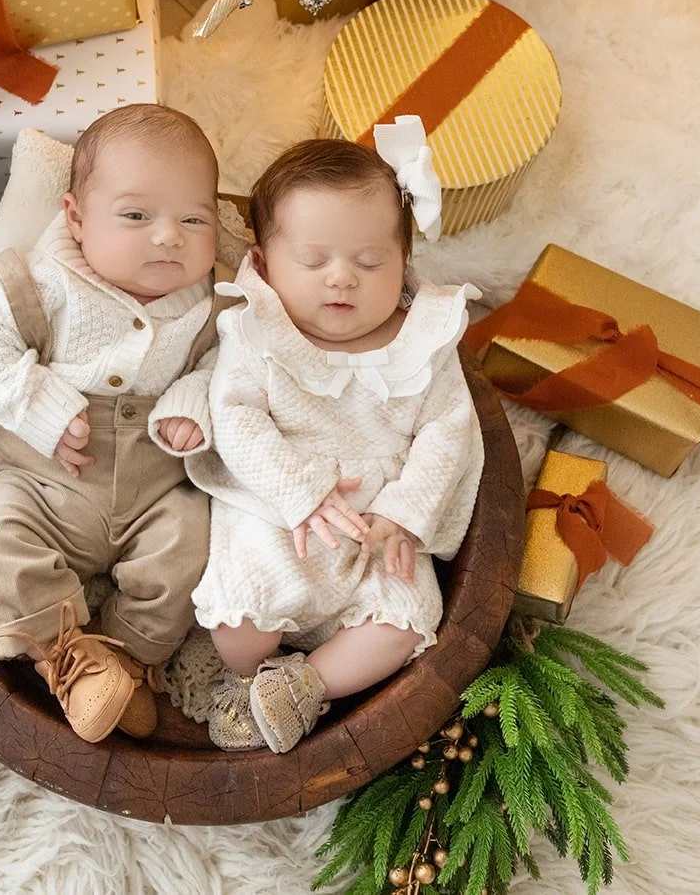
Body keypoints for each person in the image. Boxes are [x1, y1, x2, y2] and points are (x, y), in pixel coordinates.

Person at [187, 131, 484, 753]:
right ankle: (248, 674)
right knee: (239, 619)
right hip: (281, 515)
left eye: (370, 262)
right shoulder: (258, 330)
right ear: (265, 264)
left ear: (403, 261)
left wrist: (404, 514)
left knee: (405, 624)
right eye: (313, 261)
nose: (342, 278)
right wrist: (300, 493)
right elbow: (234, 416)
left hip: (380, 529)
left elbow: (448, 430)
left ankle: (303, 686)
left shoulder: (424, 340)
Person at [0, 104, 222, 743]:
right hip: (47, 483)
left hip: (158, 485)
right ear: (75, 217)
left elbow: (233, 365)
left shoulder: (218, 301)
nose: (169, 237)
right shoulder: (35, 280)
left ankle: (126, 655)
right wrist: (40, 405)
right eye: (136, 216)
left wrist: (193, 400)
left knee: (191, 546)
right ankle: (65, 654)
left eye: (194, 219)